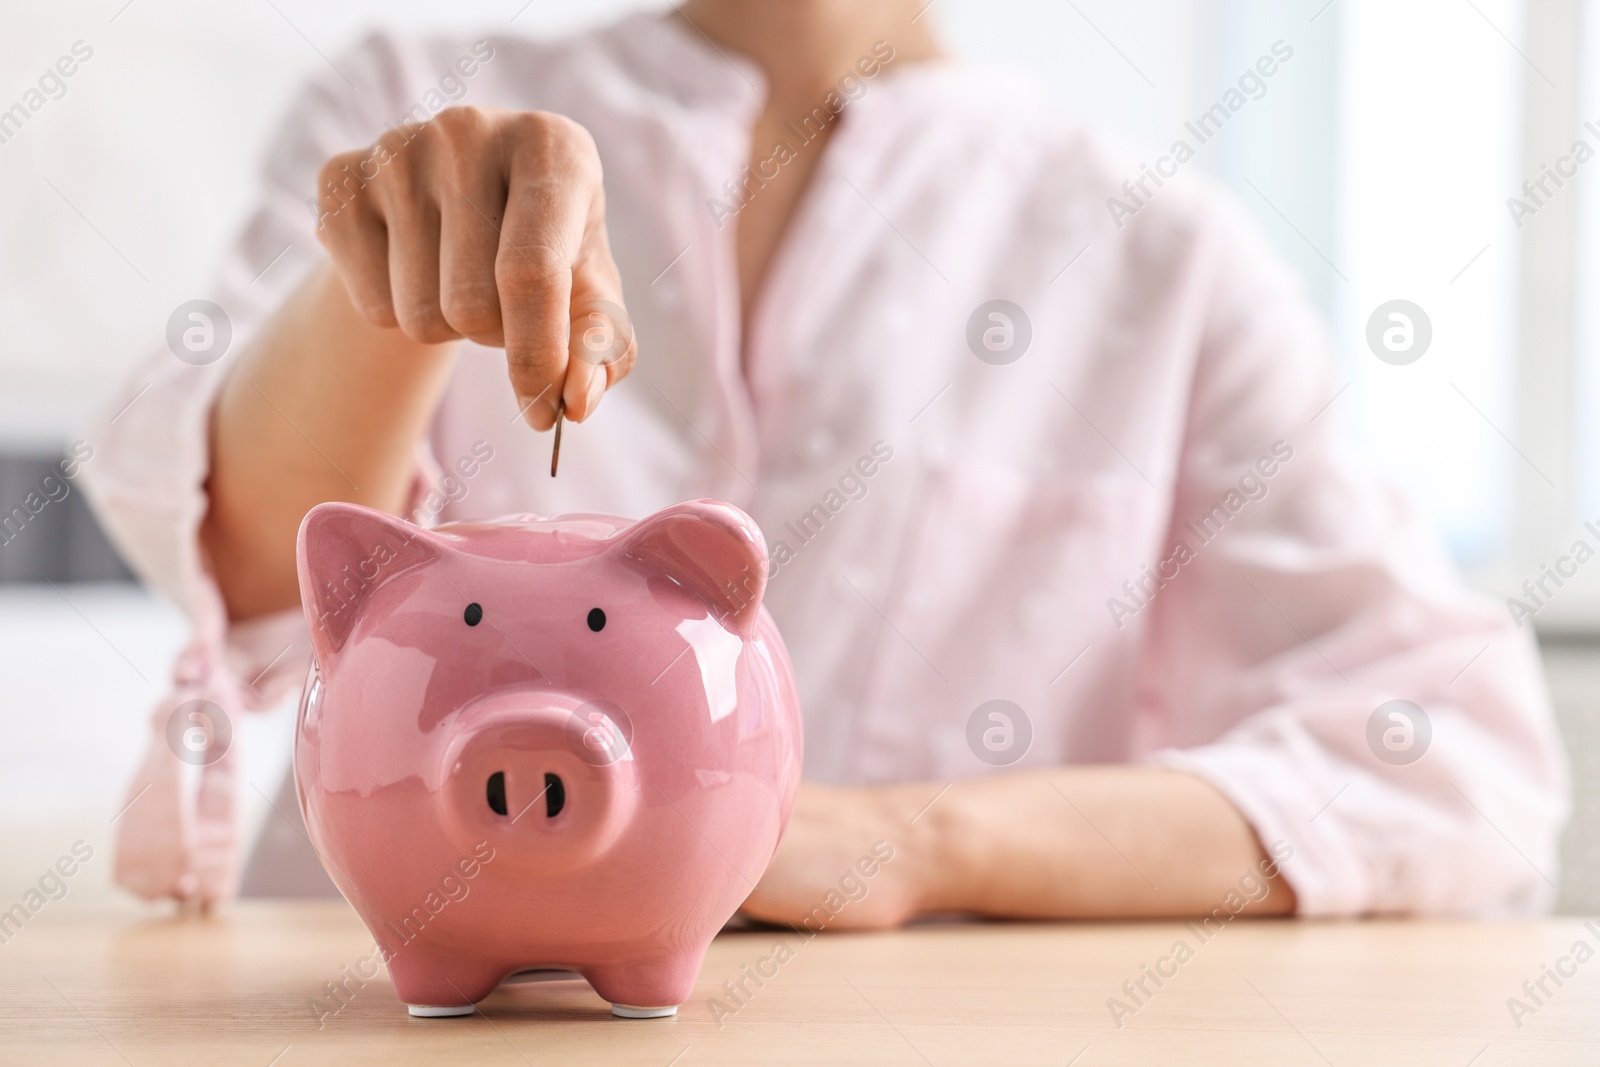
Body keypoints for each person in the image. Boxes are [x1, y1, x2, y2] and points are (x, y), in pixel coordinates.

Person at [83, 0, 1567, 922]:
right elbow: (241, 570)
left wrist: (912, 842)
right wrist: (386, 298)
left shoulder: (1163, 255)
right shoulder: (407, 99)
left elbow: (1458, 767)